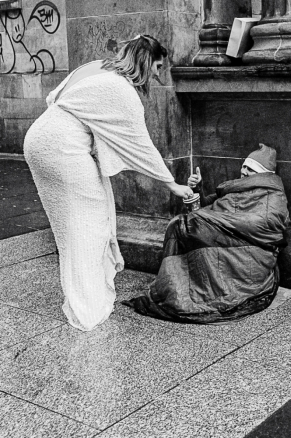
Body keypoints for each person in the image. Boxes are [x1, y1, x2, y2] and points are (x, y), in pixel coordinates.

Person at [23, 35, 193, 332]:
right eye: (157, 66)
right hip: (63, 148)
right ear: (144, 61)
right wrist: (172, 184)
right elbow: (141, 146)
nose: (157, 74)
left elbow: (55, 98)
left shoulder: (96, 68)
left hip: (40, 138)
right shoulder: (122, 90)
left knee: (72, 224)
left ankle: (84, 291)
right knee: (88, 224)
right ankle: (88, 304)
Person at [125, 144, 290, 324]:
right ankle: (183, 288)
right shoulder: (234, 188)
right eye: (243, 166)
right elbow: (205, 207)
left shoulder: (273, 196)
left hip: (250, 250)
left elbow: (266, 223)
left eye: (250, 169)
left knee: (188, 225)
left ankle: (198, 291)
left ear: (263, 174)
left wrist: (213, 220)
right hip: (223, 238)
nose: (243, 171)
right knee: (180, 226)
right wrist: (197, 189)